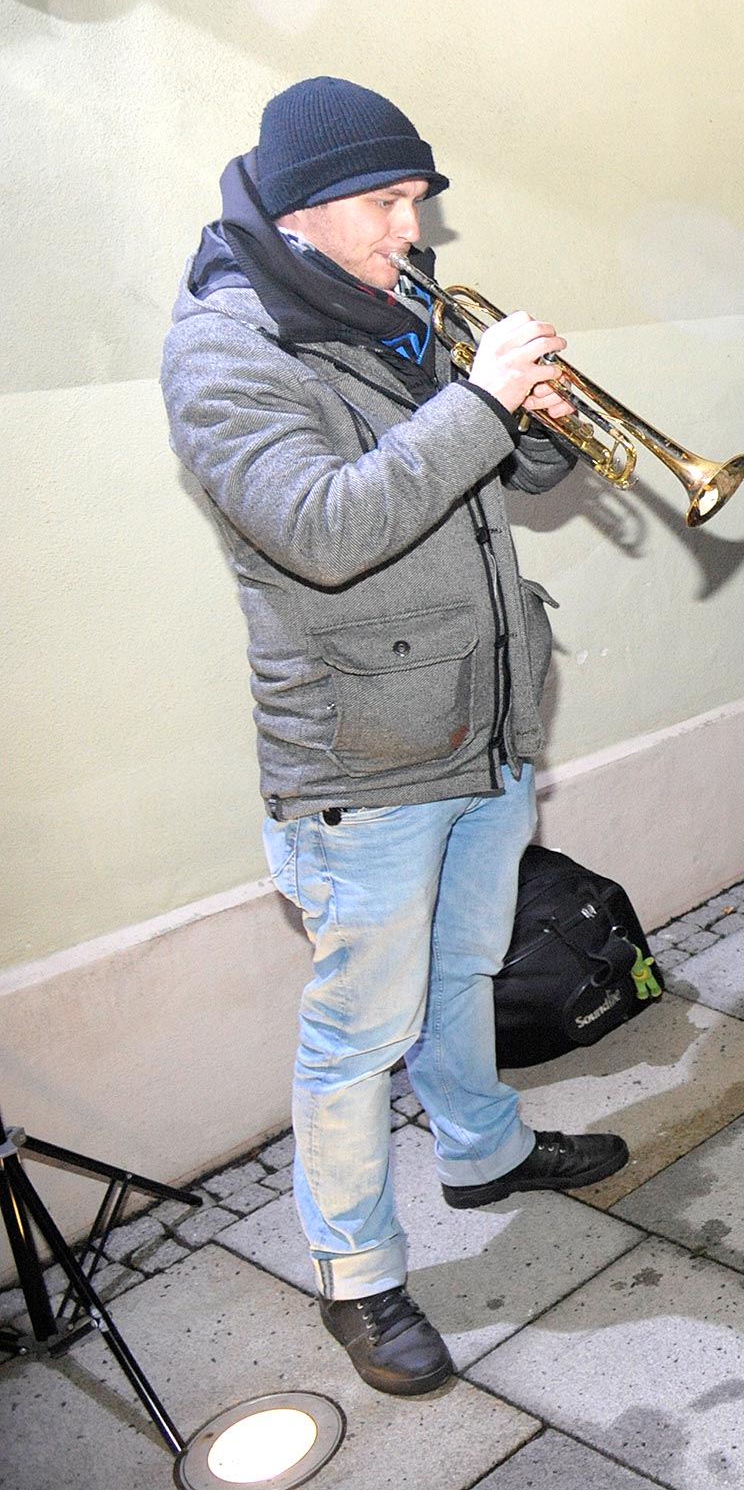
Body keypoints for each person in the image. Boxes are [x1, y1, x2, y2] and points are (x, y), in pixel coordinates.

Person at [159, 78, 628, 1396]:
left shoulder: (385, 311)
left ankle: (481, 1151)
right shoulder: (225, 348)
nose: (412, 234)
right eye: (388, 205)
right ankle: (355, 1276)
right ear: (305, 214)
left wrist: (540, 421)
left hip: (483, 717)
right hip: (362, 752)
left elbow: (499, 476)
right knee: (357, 1028)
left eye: (418, 202)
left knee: (468, 962)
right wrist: (478, 403)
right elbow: (322, 528)